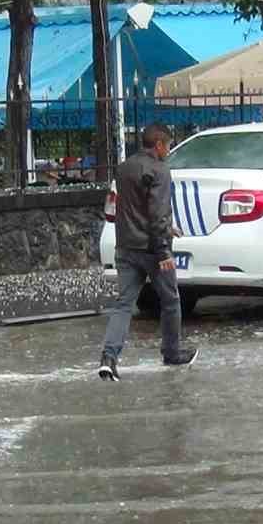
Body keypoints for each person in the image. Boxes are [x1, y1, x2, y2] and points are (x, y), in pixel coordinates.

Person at [97, 123, 197, 379]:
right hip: (153, 249)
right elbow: (156, 210)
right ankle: (172, 353)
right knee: (171, 300)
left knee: (123, 304)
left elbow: (132, 207)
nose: (169, 150)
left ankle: (109, 357)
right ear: (159, 144)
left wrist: (167, 228)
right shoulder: (160, 170)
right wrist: (163, 251)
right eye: (169, 145)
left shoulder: (124, 167)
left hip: (126, 246)